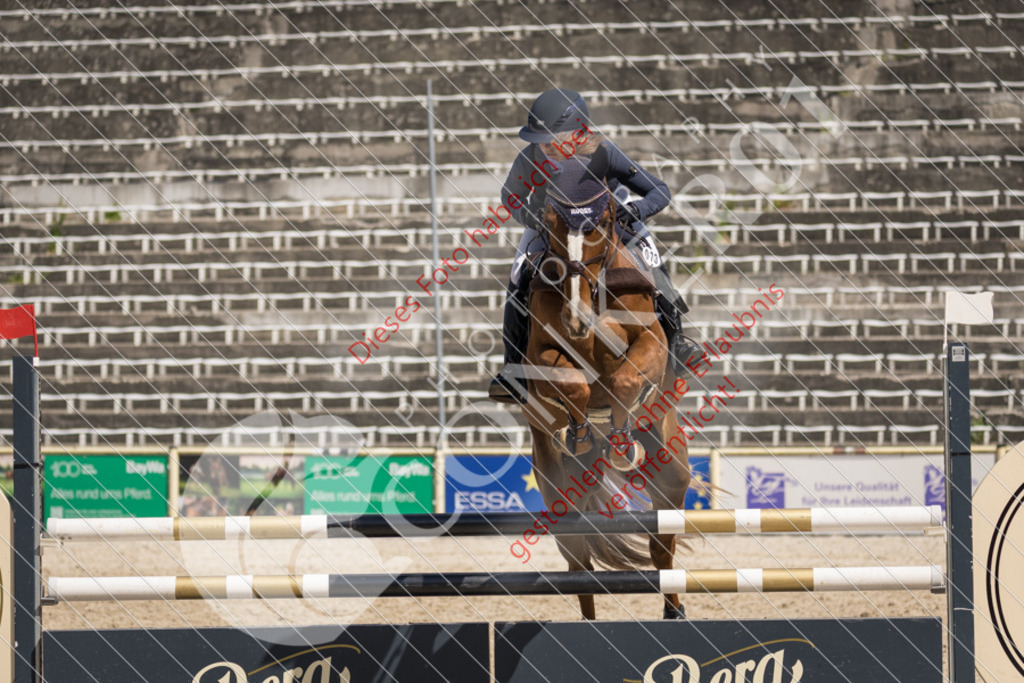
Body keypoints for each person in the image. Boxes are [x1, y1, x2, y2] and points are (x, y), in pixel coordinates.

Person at [488, 88, 702, 404]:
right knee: (518, 274)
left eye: (551, 139)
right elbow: (510, 196)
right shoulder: (531, 157)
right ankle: (513, 365)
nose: (543, 147)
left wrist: (636, 212)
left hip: (610, 222)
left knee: (651, 260)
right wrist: (530, 216)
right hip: (551, 225)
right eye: (540, 140)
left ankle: (678, 341)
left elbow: (659, 190)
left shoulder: (604, 152)